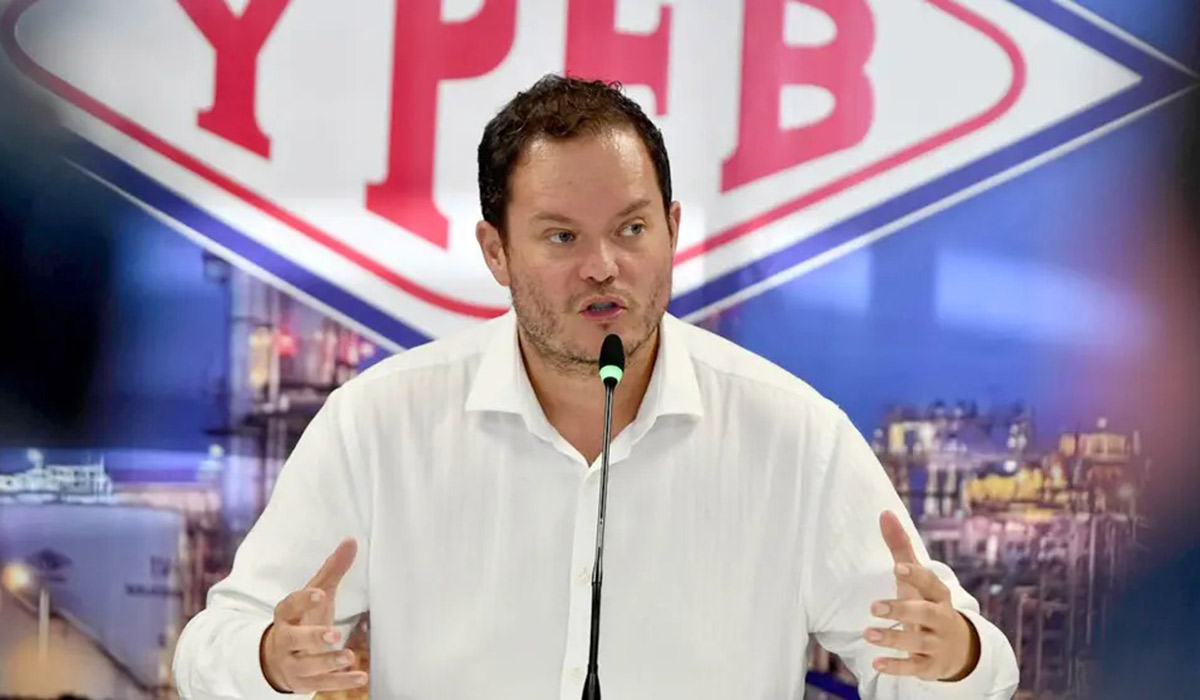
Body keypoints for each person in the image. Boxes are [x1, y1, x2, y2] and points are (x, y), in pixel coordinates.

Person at [172, 75, 1019, 699]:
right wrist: (271, 660)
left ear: (673, 231)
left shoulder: (794, 435)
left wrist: (953, 657)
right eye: (561, 237)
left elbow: (959, 673)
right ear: (496, 251)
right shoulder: (379, 424)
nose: (603, 266)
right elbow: (213, 648)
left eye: (632, 228)